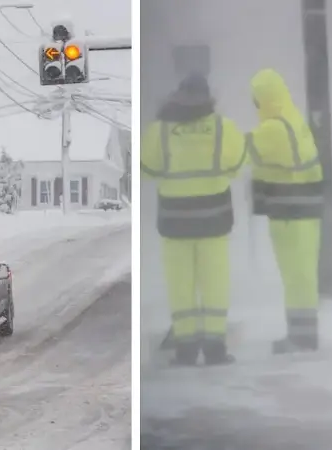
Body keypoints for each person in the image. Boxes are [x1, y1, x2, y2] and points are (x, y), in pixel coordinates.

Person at [141, 74, 246, 366]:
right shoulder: (223, 128)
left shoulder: (160, 130)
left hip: (175, 221)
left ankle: (185, 350)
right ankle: (215, 349)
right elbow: (237, 164)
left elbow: (146, 168)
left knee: (180, 285)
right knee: (215, 283)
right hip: (214, 219)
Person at [245, 69, 325, 354]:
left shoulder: (273, 128)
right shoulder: (293, 120)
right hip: (304, 208)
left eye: (255, 98)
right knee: (300, 276)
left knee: (296, 277)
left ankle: (301, 338)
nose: (253, 104)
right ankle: (303, 334)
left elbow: (241, 152)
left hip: (290, 211)